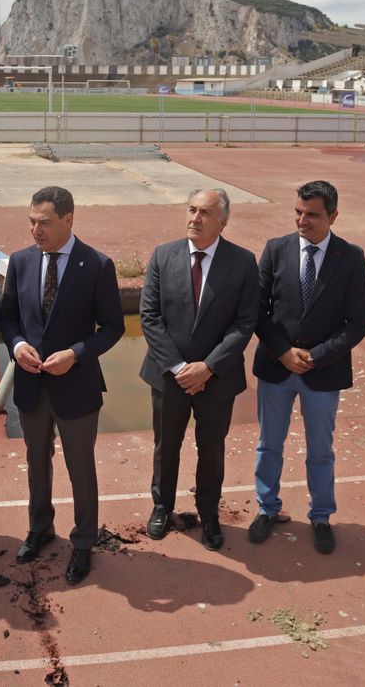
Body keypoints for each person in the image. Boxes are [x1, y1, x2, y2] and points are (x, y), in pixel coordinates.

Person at [0, 185, 125, 585]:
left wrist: (75, 353)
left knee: (80, 468)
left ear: (69, 220)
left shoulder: (97, 264)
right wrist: (17, 345)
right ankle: (40, 527)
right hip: (32, 386)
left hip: (77, 386)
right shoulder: (19, 262)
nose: (36, 230)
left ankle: (84, 540)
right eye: (32, 221)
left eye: (45, 222)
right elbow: (9, 319)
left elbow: (112, 328)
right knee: (37, 463)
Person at [248, 180, 365, 554]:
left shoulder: (350, 257)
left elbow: (357, 322)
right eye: (298, 212)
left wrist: (315, 356)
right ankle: (268, 508)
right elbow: (257, 309)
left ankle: (321, 515)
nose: (303, 220)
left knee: (321, 449)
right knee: (270, 444)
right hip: (276, 368)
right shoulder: (275, 249)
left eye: (312, 214)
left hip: (323, 372)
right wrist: (283, 351)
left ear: (333, 215)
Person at [138, 188, 258, 550]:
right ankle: (162, 505)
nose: (195, 218)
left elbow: (244, 322)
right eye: (191, 210)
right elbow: (150, 316)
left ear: (223, 221)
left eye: (205, 212)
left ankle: (209, 514)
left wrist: (207, 367)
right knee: (166, 445)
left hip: (216, 380)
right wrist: (178, 367)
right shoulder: (163, 255)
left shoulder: (242, 262)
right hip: (168, 376)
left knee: (211, 449)